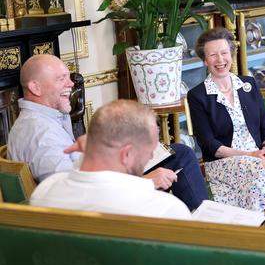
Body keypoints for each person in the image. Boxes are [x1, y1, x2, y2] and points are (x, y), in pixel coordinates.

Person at [7, 54, 207, 210]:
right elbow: (74, 195)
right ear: (36, 87)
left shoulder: (42, 119)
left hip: (99, 181)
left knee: (176, 152)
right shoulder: (41, 135)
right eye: (61, 79)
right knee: (181, 157)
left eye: (69, 77)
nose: (71, 84)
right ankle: (207, 230)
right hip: (99, 202)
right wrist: (144, 182)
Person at [187, 28, 265, 224]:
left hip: (258, 162)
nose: (220, 59)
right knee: (264, 172)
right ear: (205, 61)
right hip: (224, 164)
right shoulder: (198, 95)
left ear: (231, 54)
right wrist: (251, 155)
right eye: (213, 55)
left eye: (224, 53)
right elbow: (209, 144)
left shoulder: (248, 84)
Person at [30, 99, 192, 220]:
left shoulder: (44, 192)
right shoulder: (165, 209)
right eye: (149, 151)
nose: (150, 156)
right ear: (126, 154)